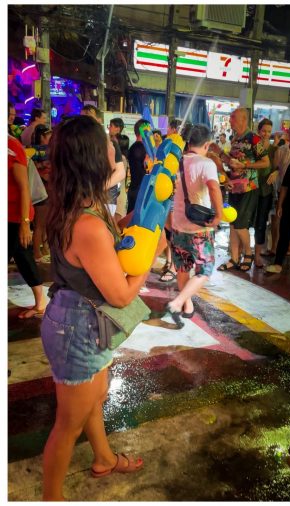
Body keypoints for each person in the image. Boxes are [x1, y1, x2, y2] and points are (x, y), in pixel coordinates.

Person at [41, 116, 166, 500]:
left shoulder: (83, 203)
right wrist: (150, 257)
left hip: (83, 321)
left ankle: (104, 459)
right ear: (95, 156)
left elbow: (116, 233)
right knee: (68, 425)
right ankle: (51, 497)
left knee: (95, 399)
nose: (114, 146)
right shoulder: (87, 225)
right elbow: (121, 295)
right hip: (77, 328)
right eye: (106, 142)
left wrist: (145, 218)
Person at [165, 124, 225, 325]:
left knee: (182, 268)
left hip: (178, 225)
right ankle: (177, 303)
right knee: (205, 270)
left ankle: (187, 306)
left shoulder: (177, 162)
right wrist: (219, 215)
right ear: (206, 144)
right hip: (199, 228)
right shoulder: (206, 163)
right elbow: (214, 188)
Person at [218, 107, 269, 273]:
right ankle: (234, 258)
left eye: (233, 117)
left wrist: (245, 165)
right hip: (234, 187)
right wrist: (219, 153)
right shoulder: (235, 139)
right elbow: (231, 161)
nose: (230, 120)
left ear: (244, 119)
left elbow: (266, 162)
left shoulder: (254, 138)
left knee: (240, 224)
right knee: (233, 222)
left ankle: (248, 253)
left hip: (248, 187)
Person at [9, 135, 46, 319]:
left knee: (23, 256)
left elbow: (24, 187)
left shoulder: (11, 146)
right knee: (23, 257)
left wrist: (24, 223)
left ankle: (41, 302)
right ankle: (40, 302)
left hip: (14, 216)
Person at [264, 160, 290, 275]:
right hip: (289, 204)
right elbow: (284, 186)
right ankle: (278, 264)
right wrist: (280, 205)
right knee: (284, 234)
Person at [253, 118, 277, 266]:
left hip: (266, 190)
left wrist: (276, 172)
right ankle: (244, 252)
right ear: (259, 131)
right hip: (251, 188)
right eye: (264, 131)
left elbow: (278, 167)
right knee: (247, 220)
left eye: (269, 131)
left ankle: (257, 254)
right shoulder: (253, 146)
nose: (266, 134)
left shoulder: (274, 149)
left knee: (261, 223)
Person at [31, 124, 53, 262]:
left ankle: (44, 249)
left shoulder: (34, 151)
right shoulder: (36, 152)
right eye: (49, 135)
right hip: (41, 191)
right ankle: (37, 253)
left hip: (44, 190)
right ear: (42, 136)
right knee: (40, 224)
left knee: (45, 223)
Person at [126, 119, 151, 215]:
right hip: (139, 190)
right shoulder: (140, 148)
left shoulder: (135, 147)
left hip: (136, 188)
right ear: (144, 131)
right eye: (149, 130)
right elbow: (147, 167)